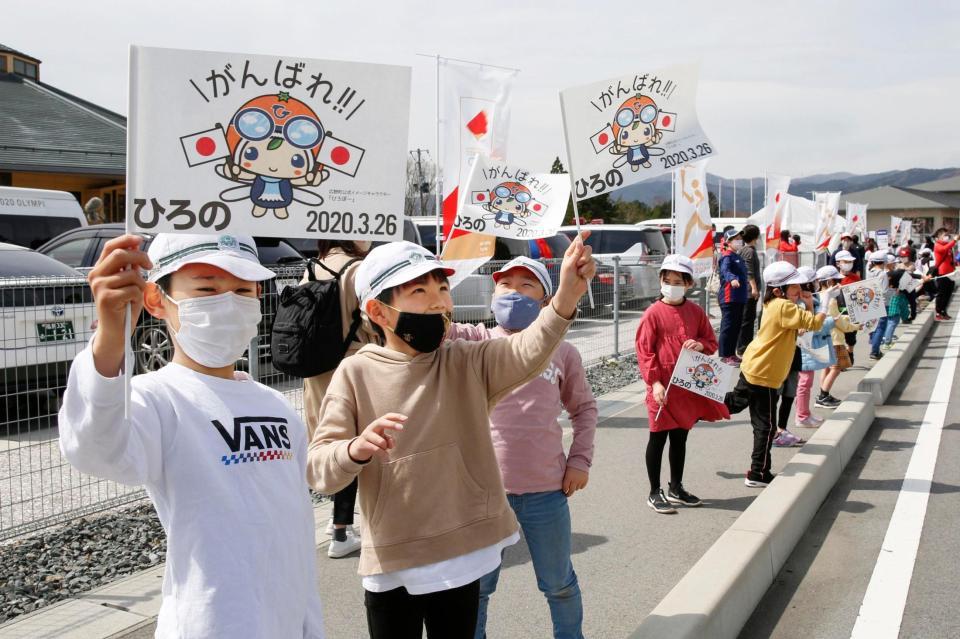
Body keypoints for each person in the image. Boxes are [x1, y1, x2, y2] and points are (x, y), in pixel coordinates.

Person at [306, 238, 596, 638]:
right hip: (393, 561)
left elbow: (528, 349)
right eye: (419, 291)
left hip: (463, 558)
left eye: (442, 289)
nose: (438, 302)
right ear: (378, 310)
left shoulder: (466, 359)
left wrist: (565, 296)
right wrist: (352, 450)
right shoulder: (355, 374)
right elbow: (320, 470)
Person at [58, 234, 325, 638]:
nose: (229, 303)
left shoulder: (275, 405)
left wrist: (309, 623)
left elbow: (294, 530)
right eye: (206, 289)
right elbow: (97, 449)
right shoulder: (157, 398)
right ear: (155, 300)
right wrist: (111, 338)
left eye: (242, 290)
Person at [447, 257, 597, 639]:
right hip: (483, 495)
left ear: (548, 300)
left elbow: (584, 409)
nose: (513, 291)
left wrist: (579, 460)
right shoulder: (476, 341)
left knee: (559, 584)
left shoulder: (564, 352)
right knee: (476, 590)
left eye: (526, 285)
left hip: (546, 491)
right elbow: (438, 328)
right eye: (505, 284)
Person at [301, 239, 379, 558]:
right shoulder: (358, 269)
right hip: (351, 369)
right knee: (354, 445)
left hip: (315, 371)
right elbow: (372, 322)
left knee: (329, 442)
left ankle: (337, 526)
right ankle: (342, 531)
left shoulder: (310, 268)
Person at [636, 254, 730, 513]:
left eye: (678, 281)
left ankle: (676, 486)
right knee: (657, 437)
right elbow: (645, 351)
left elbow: (711, 341)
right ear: (661, 281)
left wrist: (700, 345)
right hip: (662, 387)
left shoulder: (696, 312)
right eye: (668, 280)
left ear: (688, 283)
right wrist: (654, 383)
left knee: (680, 437)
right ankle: (655, 491)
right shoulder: (653, 314)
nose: (672, 285)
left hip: (687, 386)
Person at [735, 262, 825, 487]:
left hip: (756, 367)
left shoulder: (773, 303)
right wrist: (813, 304)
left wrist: (803, 304)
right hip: (764, 373)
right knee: (766, 427)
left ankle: (695, 407)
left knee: (736, 404)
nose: (799, 290)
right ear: (778, 290)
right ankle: (757, 474)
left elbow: (801, 326)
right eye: (793, 287)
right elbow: (813, 324)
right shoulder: (786, 307)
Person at [814, 266, 860, 408]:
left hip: (824, 337)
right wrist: (856, 326)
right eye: (836, 282)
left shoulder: (817, 296)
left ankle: (822, 393)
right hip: (835, 339)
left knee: (827, 367)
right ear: (829, 282)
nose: (839, 285)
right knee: (837, 367)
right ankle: (823, 395)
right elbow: (838, 322)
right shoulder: (831, 300)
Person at [795, 269, 836, 427]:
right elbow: (814, 326)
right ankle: (802, 416)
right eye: (815, 281)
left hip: (807, 346)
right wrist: (833, 320)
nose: (817, 283)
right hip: (805, 346)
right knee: (804, 382)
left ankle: (804, 413)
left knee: (805, 382)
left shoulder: (808, 298)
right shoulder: (802, 301)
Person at [718, 229, 749, 365]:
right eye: (735, 238)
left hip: (739, 297)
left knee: (736, 326)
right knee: (728, 326)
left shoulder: (738, 256)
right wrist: (732, 279)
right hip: (729, 297)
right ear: (728, 242)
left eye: (739, 238)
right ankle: (725, 355)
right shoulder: (727, 256)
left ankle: (732, 353)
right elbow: (725, 271)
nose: (739, 241)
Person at [736, 224, 763, 357]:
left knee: (745, 319)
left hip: (743, 291)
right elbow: (749, 271)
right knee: (747, 320)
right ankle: (743, 348)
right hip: (748, 292)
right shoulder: (749, 251)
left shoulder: (742, 250)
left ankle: (742, 346)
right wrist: (754, 288)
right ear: (756, 237)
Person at [933, 227, 957, 320]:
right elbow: (944, 249)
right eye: (945, 235)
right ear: (939, 236)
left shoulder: (948, 245)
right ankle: (938, 312)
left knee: (948, 294)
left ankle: (943, 311)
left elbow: (951, 258)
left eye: (948, 235)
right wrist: (954, 241)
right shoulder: (938, 245)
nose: (947, 237)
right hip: (942, 273)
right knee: (941, 293)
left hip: (950, 273)